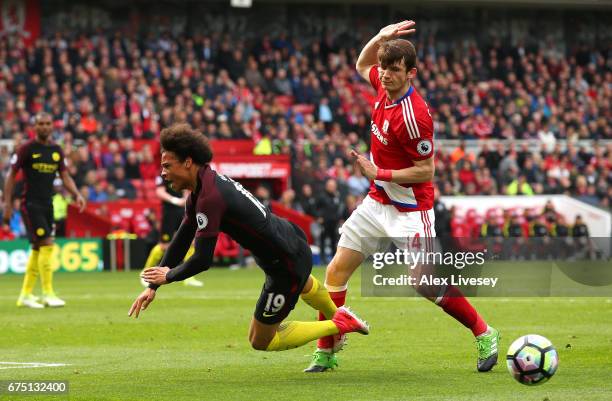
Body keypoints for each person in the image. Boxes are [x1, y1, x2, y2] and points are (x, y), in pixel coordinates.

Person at [304, 21, 499, 372]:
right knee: (335, 271)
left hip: (411, 208)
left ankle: (484, 332)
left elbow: (427, 171)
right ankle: (326, 350)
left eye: (394, 70)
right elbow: (362, 65)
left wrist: (380, 172)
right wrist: (380, 38)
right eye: (385, 68)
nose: (385, 75)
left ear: (411, 73)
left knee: (423, 282)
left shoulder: (416, 117)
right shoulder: (380, 82)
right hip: (377, 200)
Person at [128, 123, 369, 353]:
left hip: (284, 264)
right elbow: (181, 239)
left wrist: (168, 276)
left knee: (260, 340)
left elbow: (202, 259)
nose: (163, 173)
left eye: (167, 166)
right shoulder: (205, 186)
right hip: (290, 239)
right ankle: (338, 315)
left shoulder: (209, 198)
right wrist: (153, 286)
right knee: (303, 283)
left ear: (188, 162)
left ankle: (340, 325)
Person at [3, 112, 86, 308]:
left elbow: (65, 176)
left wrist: (76, 194)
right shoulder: (26, 149)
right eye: (41, 123)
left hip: (47, 204)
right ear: (35, 126)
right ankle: (48, 293)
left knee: (37, 247)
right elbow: (10, 175)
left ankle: (25, 294)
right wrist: (7, 204)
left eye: (48, 123)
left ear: (52, 126)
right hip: (30, 204)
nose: (45, 126)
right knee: (47, 244)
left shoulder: (56, 150)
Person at [140, 175, 203, 288]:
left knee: (191, 243)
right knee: (163, 246)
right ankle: (145, 273)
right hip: (169, 212)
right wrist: (175, 200)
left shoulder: (180, 172)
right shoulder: (163, 174)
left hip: (183, 212)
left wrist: (185, 199)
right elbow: (159, 192)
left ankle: (188, 277)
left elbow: (186, 188)